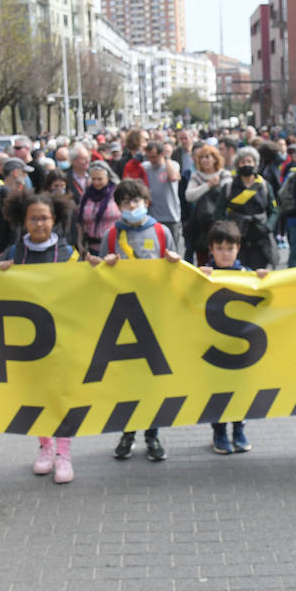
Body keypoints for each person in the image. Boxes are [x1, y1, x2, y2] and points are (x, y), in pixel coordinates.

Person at [0, 190, 82, 483]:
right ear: (23, 221)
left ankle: (64, 454)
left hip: (62, 338)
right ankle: (45, 448)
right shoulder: (14, 254)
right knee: (35, 396)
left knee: (61, 396)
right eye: (33, 219)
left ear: (54, 219)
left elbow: (86, 292)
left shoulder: (70, 254)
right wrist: (0, 275)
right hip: (27, 341)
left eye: (44, 218)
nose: (39, 224)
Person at [101, 178, 180, 463]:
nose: (131, 207)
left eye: (136, 201)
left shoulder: (161, 232)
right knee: (126, 383)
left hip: (155, 318)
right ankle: (127, 433)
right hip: (122, 320)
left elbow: (175, 274)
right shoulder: (111, 235)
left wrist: (174, 264)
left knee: (152, 382)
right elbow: (99, 278)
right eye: (125, 203)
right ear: (118, 206)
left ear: (146, 202)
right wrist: (104, 267)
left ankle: (153, 435)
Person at [198, 220, 268, 454]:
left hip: (242, 349)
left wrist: (264, 281)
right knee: (217, 392)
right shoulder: (203, 275)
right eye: (220, 248)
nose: (225, 254)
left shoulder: (246, 274)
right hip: (214, 348)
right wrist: (198, 279)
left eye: (230, 248)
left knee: (241, 391)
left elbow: (267, 298)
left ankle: (239, 429)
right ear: (211, 249)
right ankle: (219, 431)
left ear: (238, 248)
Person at [221, 146, 277, 271]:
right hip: (236, 239)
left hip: (260, 238)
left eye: (249, 161)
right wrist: (227, 230)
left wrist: (268, 227)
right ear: (237, 164)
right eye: (242, 162)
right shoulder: (229, 187)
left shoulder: (264, 185)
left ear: (255, 164)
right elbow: (219, 212)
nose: (246, 164)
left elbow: (274, 210)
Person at [184, 144, 231, 265]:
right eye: (201, 157)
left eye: (207, 157)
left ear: (215, 158)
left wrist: (217, 185)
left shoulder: (224, 174)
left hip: (220, 222)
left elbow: (228, 193)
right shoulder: (197, 176)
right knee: (203, 261)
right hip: (201, 225)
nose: (204, 160)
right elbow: (189, 196)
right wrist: (208, 185)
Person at [142, 141, 182, 248]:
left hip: (171, 217)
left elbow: (173, 177)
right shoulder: (145, 167)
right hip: (152, 218)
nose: (151, 160)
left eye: (154, 157)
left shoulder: (172, 165)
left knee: (172, 251)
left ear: (161, 154)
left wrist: (167, 158)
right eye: (149, 157)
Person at [77, 160, 121, 257]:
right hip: (92, 247)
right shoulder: (86, 195)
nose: (96, 182)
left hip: (114, 246)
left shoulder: (116, 193)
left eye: (100, 179)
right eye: (93, 179)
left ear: (108, 178)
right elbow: (80, 222)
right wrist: (80, 243)